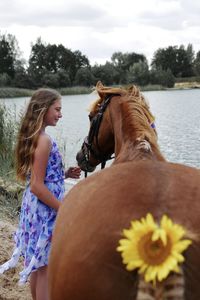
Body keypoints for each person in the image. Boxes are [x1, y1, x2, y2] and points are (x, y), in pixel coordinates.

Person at [0, 88, 81, 300]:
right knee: (45, 267)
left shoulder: (35, 137)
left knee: (38, 265)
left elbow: (39, 178)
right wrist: (64, 209)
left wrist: (62, 174)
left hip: (35, 208)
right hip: (45, 211)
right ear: (44, 109)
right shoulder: (44, 140)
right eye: (57, 109)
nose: (60, 114)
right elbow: (37, 185)